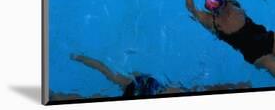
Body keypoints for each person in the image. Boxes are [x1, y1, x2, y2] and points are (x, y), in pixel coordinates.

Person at [57, 54, 252, 100]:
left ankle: (78, 57)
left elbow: (104, 69)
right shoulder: (191, 91)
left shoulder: (138, 82)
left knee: (107, 77)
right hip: (145, 87)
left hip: (145, 85)